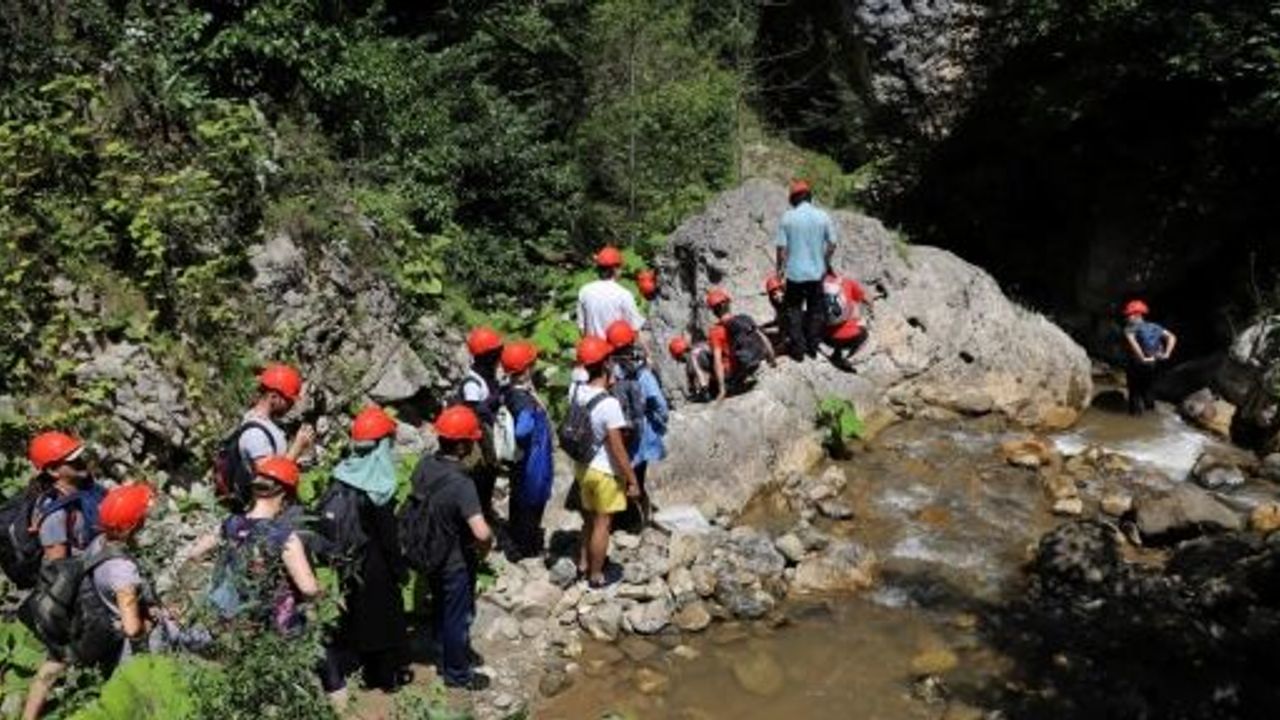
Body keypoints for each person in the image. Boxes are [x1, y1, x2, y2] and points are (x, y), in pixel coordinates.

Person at [22, 483, 153, 720]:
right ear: (134, 525)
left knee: (53, 663)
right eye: (144, 515)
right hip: (105, 634)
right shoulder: (123, 570)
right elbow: (132, 628)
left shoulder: (99, 542)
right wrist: (152, 623)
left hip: (79, 615)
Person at [319, 406, 411, 708]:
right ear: (382, 443)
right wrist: (400, 570)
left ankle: (366, 672)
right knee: (384, 621)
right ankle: (387, 679)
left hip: (349, 561)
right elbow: (388, 539)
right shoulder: (377, 485)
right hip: (376, 566)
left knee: (359, 615)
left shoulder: (343, 473)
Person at [404, 406, 494, 690]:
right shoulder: (461, 483)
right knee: (457, 616)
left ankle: (442, 655)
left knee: (441, 608)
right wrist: (485, 549)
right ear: (462, 444)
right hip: (454, 559)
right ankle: (457, 674)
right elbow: (480, 531)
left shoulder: (424, 465)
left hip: (428, 551)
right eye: (472, 440)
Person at [208, 456, 320, 634]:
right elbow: (308, 588)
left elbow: (194, 554)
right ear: (285, 494)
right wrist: (322, 595)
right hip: (272, 627)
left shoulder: (230, 523)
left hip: (231, 619)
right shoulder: (285, 537)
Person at [567, 336, 639, 588]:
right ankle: (596, 576)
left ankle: (583, 564)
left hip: (582, 467)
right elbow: (617, 449)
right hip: (605, 472)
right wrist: (631, 479)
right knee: (602, 524)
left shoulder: (575, 392)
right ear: (606, 364)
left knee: (587, 519)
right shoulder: (609, 405)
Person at [606, 321, 668, 532]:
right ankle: (635, 522)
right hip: (641, 435)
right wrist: (661, 424)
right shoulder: (642, 373)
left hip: (618, 433)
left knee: (622, 475)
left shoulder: (610, 372)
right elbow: (659, 404)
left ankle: (624, 518)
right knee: (637, 477)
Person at [499, 341, 554, 559]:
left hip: (521, 459)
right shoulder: (523, 400)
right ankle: (527, 548)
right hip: (532, 457)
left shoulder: (510, 391)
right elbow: (523, 430)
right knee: (532, 499)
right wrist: (533, 412)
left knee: (520, 498)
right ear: (527, 369)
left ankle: (518, 541)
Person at [775, 179, 838, 362]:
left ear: (793, 199)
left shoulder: (787, 217)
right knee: (816, 310)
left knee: (793, 311)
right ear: (810, 197)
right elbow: (833, 242)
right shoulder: (823, 216)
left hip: (794, 275)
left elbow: (781, 248)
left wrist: (779, 269)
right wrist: (825, 261)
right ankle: (813, 347)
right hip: (817, 273)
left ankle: (798, 350)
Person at [26, 432, 103, 563]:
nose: (80, 462)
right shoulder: (54, 514)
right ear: (53, 471)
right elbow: (57, 572)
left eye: (79, 456)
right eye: (72, 460)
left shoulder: (86, 487)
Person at [457, 326, 505, 518]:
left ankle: (485, 507)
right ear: (488, 356)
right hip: (478, 441)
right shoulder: (472, 383)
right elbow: (475, 410)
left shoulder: (488, 376)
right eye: (496, 353)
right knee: (480, 478)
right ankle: (476, 514)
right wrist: (496, 401)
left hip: (489, 434)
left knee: (490, 474)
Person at [239, 363, 316, 476]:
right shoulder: (255, 434)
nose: (291, 405)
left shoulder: (267, 423)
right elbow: (268, 481)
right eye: (289, 400)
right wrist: (297, 447)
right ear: (274, 396)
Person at [706, 288, 776, 401]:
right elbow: (763, 338)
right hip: (753, 362)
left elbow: (717, 360)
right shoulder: (744, 319)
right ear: (728, 304)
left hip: (734, 371)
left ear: (714, 311)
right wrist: (772, 360)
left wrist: (722, 389)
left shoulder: (715, 332)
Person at [576, 246, 646, 341]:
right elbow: (635, 327)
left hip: (592, 350)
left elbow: (581, 328)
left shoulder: (584, 291)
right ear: (615, 269)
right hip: (617, 351)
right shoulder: (624, 294)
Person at [1122, 299, 1177, 416]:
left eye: (1128, 314)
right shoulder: (1154, 326)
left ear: (1137, 315)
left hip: (1136, 364)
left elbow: (1133, 344)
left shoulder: (1129, 329)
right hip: (1153, 364)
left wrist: (1142, 358)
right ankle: (1151, 415)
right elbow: (1172, 337)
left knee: (1134, 392)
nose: (1126, 317)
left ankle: (1135, 420)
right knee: (1148, 389)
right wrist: (1167, 354)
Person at [823, 272, 871, 371]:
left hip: (823, 336)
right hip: (849, 338)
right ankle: (842, 357)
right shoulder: (846, 282)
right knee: (863, 331)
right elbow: (866, 299)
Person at [668, 335, 716, 402]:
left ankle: (707, 391)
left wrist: (703, 390)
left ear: (680, 355)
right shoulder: (700, 347)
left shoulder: (694, 355)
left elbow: (700, 373)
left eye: (678, 358)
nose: (679, 361)